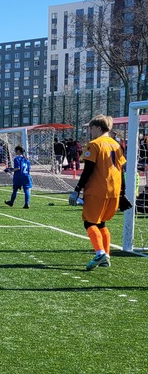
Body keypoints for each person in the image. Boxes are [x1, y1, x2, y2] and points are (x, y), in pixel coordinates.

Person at [74, 115, 130, 271]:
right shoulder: (116, 144)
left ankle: (100, 253)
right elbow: (121, 171)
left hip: (97, 190)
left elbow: (88, 170)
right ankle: (106, 257)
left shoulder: (94, 144)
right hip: (114, 190)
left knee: (89, 222)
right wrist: (122, 193)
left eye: (91, 128)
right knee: (101, 223)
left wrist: (77, 189)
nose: (90, 132)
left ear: (98, 128)